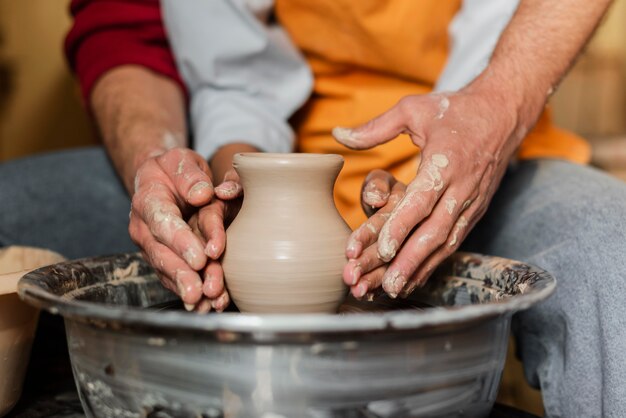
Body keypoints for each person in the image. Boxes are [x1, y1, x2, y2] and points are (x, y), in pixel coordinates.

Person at [0, 0, 624, 416]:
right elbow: (194, 57)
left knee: (612, 256)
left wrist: (494, 111)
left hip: (487, 121)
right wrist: (206, 165)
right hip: (244, 146)